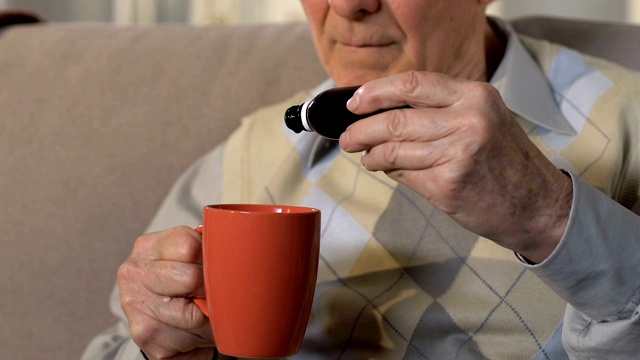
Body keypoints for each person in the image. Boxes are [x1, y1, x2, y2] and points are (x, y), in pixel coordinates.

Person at [83, 0, 640, 359]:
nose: (348, 6)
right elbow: (116, 346)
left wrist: (546, 212)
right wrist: (165, 340)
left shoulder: (627, 122)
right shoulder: (253, 151)